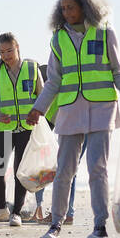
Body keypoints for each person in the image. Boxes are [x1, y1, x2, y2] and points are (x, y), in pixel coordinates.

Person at [27, 0, 120, 238]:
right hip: (70, 110)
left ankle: (100, 226)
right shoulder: (58, 38)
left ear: (85, 6)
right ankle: (56, 224)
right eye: (63, 8)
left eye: (71, 8)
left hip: (102, 108)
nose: (66, 13)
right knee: (64, 169)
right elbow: (53, 80)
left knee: (98, 169)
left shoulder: (105, 33)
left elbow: (118, 70)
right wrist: (38, 109)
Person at [0, 33, 43, 227]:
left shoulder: (32, 68)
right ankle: (1, 207)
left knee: (20, 172)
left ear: (17, 48)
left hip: (26, 128)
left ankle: (16, 213)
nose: (6, 55)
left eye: (9, 50)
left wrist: (39, 115)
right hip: (4, 128)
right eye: (1, 52)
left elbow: (42, 96)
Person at [36, 61, 78, 225]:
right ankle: (66, 212)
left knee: (63, 167)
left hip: (69, 125)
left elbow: (48, 119)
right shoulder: (59, 76)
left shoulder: (54, 89)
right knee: (69, 168)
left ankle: (64, 213)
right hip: (82, 119)